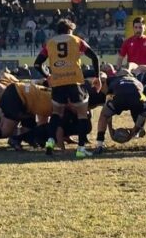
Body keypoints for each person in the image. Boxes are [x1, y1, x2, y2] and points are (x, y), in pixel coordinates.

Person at [34, 19, 100, 157]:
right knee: (82, 114)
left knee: (56, 114)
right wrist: (97, 77)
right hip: (74, 81)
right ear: (70, 30)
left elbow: (37, 64)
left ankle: (50, 142)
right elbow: (94, 57)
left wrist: (48, 76)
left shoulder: (50, 43)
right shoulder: (76, 40)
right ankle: (81, 149)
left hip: (58, 82)